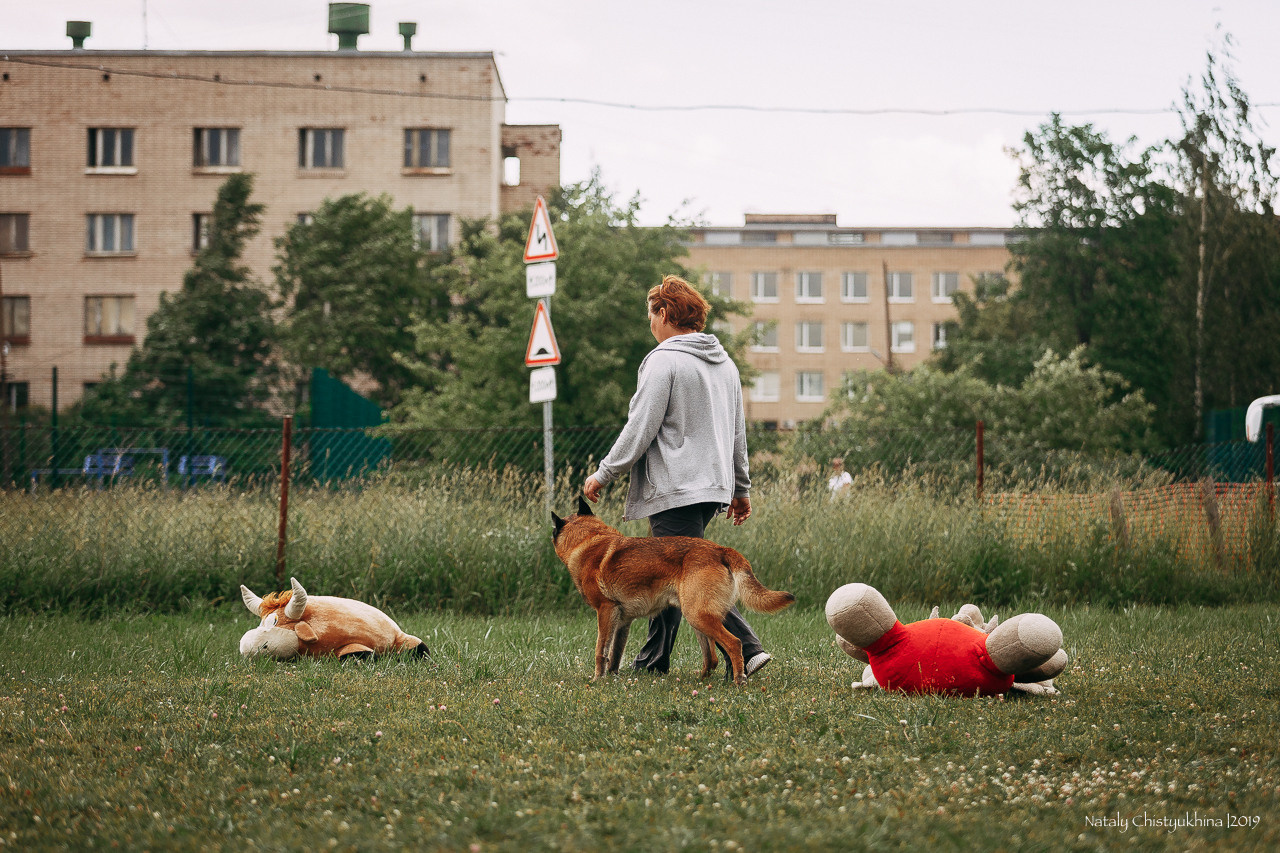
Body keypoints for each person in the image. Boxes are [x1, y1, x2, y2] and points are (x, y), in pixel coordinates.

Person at [582, 274, 773, 679]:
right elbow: (738, 431)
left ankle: (749, 648)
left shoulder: (664, 359)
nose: (650, 325)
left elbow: (641, 425)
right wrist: (740, 489)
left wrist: (605, 473)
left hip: (677, 484)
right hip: (713, 486)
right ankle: (653, 662)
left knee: (689, 575)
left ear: (664, 313)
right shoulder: (726, 364)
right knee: (666, 575)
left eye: (651, 315)